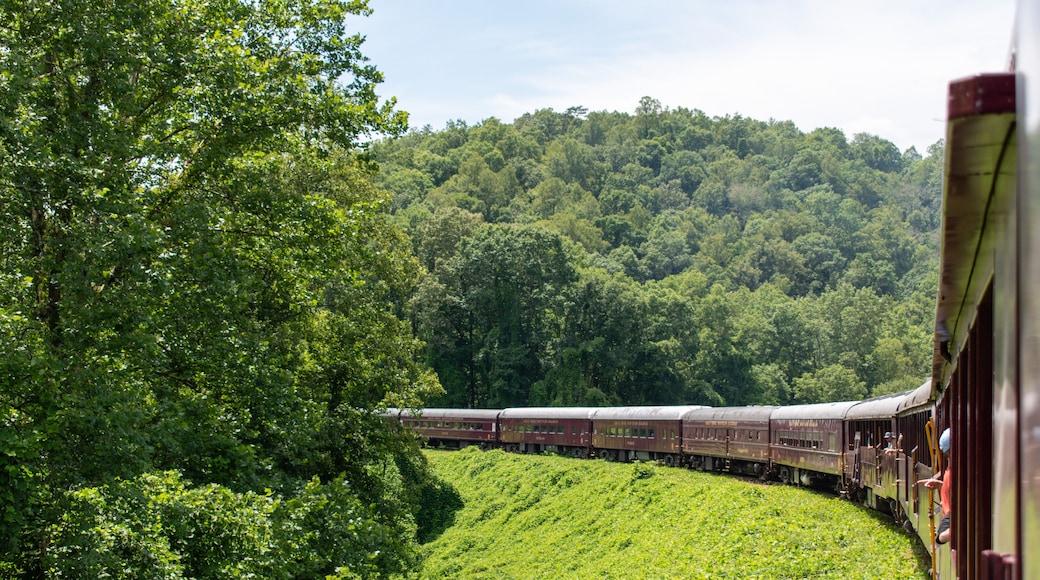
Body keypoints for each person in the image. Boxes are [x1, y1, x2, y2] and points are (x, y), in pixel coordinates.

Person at [917, 427, 952, 544]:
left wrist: (945, 534)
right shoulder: (951, 469)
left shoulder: (956, 469)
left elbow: (942, 537)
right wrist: (940, 485)